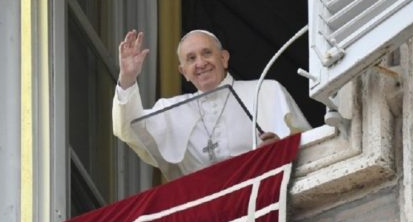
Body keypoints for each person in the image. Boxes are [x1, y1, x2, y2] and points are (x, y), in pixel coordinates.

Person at [113, 29, 310, 179]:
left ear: (223, 59)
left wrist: (281, 148)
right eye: (191, 59)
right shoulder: (172, 109)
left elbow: (310, 147)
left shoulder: (266, 91)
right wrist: (128, 78)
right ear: (183, 72)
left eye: (206, 53)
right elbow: (132, 130)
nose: (200, 63)